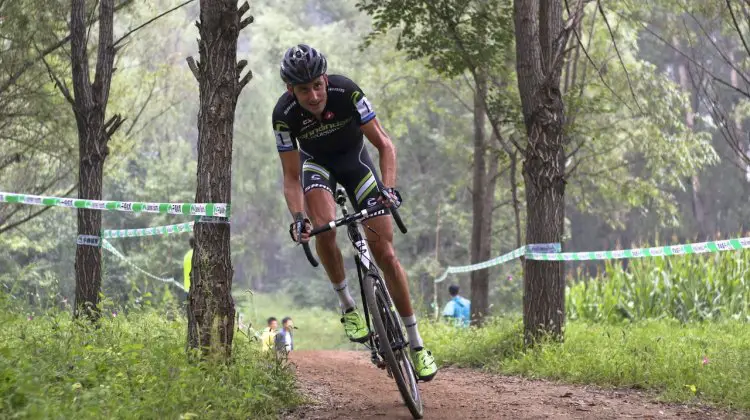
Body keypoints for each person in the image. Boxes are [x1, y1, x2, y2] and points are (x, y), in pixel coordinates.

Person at [272, 44, 437, 381]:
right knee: (324, 228)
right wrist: (297, 219)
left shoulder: (346, 91)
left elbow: (385, 145)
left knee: (386, 253)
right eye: (304, 90)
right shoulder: (284, 115)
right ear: (291, 90)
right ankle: (347, 304)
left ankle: (417, 345)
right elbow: (291, 177)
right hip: (316, 167)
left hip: (355, 163)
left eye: (318, 85)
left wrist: (388, 190)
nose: (314, 96)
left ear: (325, 78)